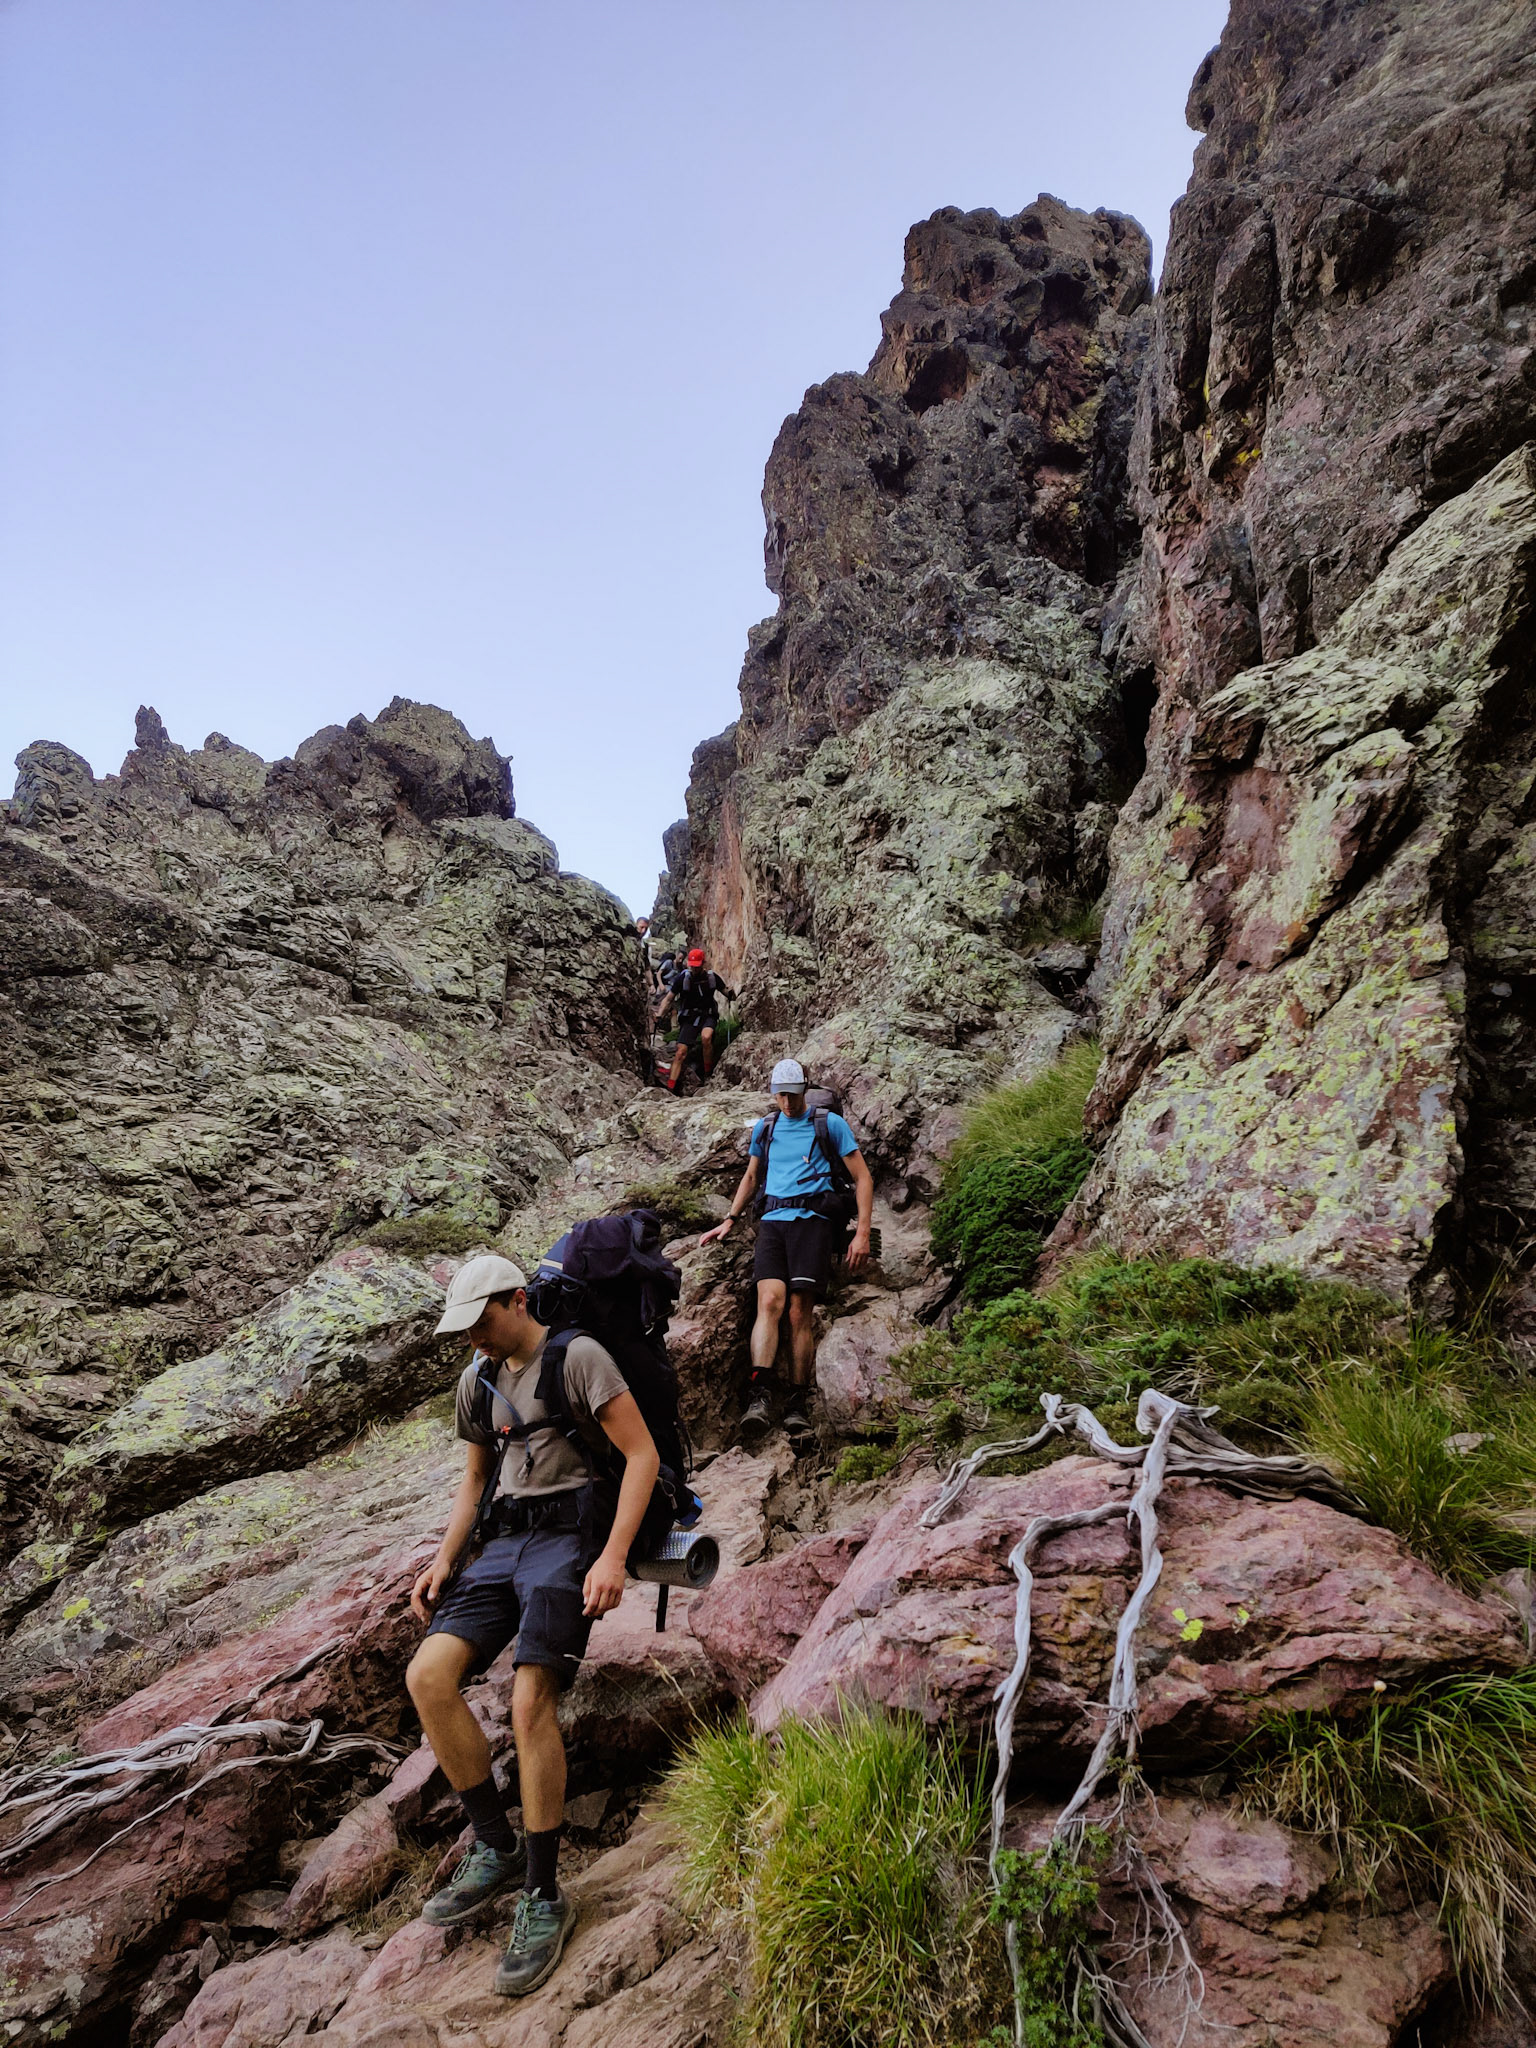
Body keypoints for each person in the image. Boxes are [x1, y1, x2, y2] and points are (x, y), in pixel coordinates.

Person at [405, 1253, 660, 1998]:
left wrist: (612, 1556)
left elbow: (639, 1456)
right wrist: (444, 1560)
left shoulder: (578, 1357)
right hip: (502, 1544)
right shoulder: (477, 1380)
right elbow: (475, 1483)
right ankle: (497, 1844)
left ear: (519, 1300)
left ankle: (545, 1893)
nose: (476, 1340)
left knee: (529, 1703)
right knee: (427, 1676)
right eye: (466, 1331)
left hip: (567, 1540)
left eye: (483, 1323)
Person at [699, 1058, 873, 1445]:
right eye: (780, 1095)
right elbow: (751, 1175)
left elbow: (862, 1178)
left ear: (804, 1091)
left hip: (813, 1221)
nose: (788, 1103)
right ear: (773, 1092)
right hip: (774, 1223)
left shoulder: (829, 1124)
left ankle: (796, 1403)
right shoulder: (767, 1125)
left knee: (798, 1312)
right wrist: (729, 1218)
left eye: (793, 1096)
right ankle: (758, 1396)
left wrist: (861, 1233)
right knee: (770, 1302)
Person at [654, 946, 734, 1091]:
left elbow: (725, 991)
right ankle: (671, 1087)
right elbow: (669, 998)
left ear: (703, 963)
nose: (695, 969)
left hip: (708, 1014)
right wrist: (660, 1013)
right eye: (692, 966)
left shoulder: (711, 977)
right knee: (680, 1052)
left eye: (697, 966)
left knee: (706, 1037)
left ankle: (707, 1074)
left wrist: (731, 994)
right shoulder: (683, 978)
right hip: (689, 1017)